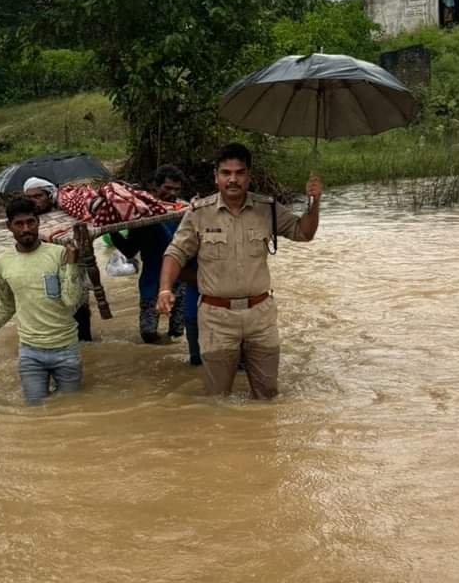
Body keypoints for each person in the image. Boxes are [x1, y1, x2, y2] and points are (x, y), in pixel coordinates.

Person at [157, 143, 322, 399]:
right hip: (216, 318)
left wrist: (315, 200)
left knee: (268, 395)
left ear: (249, 176)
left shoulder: (268, 209)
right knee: (217, 398)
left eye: (239, 172)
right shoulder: (199, 213)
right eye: (226, 173)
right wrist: (165, 289)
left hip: (261, 316)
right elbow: (175, 253)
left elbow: (305, 232)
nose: (232, 179)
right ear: (216, 176)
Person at [0, 195, 86, 405]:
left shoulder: (60, 254)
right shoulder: (3, 264)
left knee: (71, 409)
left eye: (30, 222)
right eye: (19, 224)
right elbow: (6, 307)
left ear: (38, 222)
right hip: (30, 353)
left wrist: (72, 264)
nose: (25, 229)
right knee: (34, 409)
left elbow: (71, 301)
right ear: (9, 227)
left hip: (66, 350)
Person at [110, 165, 200, 363]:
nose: (172, 193)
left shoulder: (184, 212)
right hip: (151, 282)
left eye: (176, 189)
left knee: (178, 333)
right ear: (155, 187)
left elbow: (176, 248)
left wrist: (154, 221)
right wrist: (111, 228)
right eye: (167, 188)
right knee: (148, 334)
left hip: (180, 281)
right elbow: (129, 250)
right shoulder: (141, 214)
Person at [22, 176, 94, 343]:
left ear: (50, 196)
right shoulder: (28, 223)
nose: (33, 201)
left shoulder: (70, 213)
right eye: (29, 198)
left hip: (73, 269)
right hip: (45, 274)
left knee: (80, 309)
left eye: (38, 196)